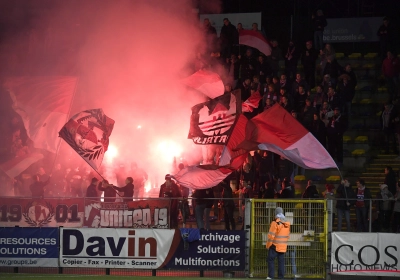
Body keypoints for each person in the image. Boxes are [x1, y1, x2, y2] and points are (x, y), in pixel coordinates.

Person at [266, 207, 290, 279]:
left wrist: (268, 246)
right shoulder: (286, 223)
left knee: (270, 259)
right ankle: (281, 277)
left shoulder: (275, 223)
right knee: (281, 262)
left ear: (275, 214)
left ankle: (270, 276)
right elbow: (287, 236)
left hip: (275, 246)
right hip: (283, 246)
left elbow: (271, 236)